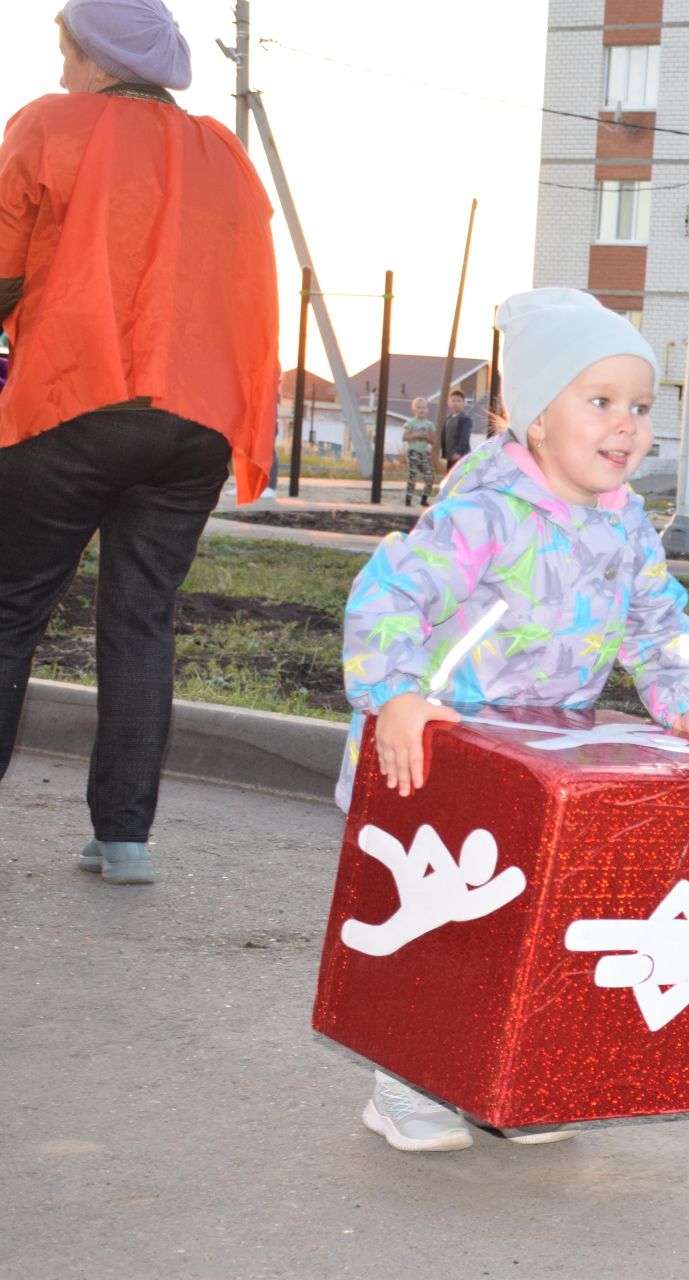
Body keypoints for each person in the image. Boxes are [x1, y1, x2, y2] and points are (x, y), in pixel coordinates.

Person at [337, 287, 689, 1152]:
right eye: (599, 402)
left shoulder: (627, 529)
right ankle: (406, 1082)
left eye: (639, 406)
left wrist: (687, 701)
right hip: (438, 748)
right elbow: (389, 593)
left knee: (528, 920)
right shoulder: (484, 512)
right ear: (535, 420)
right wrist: (395, 695)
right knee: (439, 924)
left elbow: (659, 624)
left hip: (542, 758)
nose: (625, 425)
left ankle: (505, 1081)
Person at [0, 0, 278, 886]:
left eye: (64, 52)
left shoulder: (49, 126)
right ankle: (124, 839)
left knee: (10, 614)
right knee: (141, 618)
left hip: (72, 401)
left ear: (95, 56)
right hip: (194, 424)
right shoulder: (225, 156)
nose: (58, 72)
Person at [400, 395, 436, 507]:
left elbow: (433, 441)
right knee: (412, 475)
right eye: (419, 408)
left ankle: (424, 499)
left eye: (424, 407)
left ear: (427, 409)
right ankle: (408, 500)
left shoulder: (429, 425)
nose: (422, 410)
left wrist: (426, 438)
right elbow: (404, 437)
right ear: (414, 410)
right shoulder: (410, 423)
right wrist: (417, 434)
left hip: (424, 452)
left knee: (430, 475)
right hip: (413, 451)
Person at [439, 387, 474, 470]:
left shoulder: (465, 419)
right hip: (450, 456)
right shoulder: (448, 419)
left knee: (459, 480)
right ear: (449, 402)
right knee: (449, 477)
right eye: (453, 400)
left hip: (460, 456)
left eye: (459, 401)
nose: (455, 403)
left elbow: (464, 438)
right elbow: (445, 436)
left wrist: (458, 452)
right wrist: (443, 452)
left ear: (464, 403)